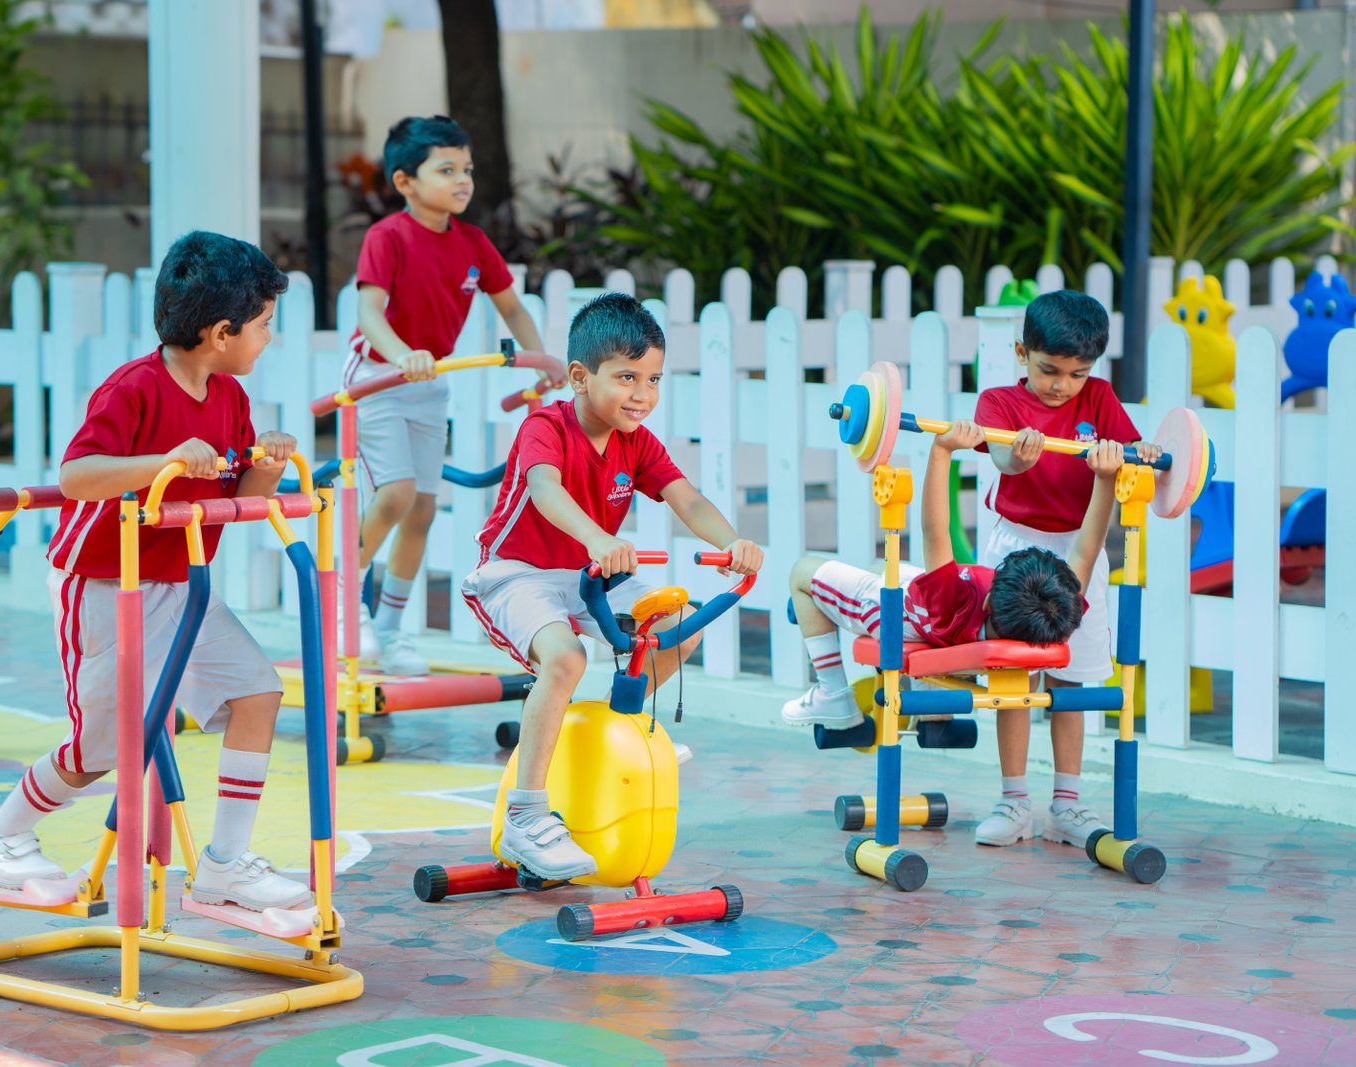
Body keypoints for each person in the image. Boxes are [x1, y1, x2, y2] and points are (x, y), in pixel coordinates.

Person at [0, 231, 313, 912]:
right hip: (104, 586)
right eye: (264, 326)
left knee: (257, 694)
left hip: (179, 587)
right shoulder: (134, 389)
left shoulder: (228, 398)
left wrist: (268, 466)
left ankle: (223, 866)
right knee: (98, 746)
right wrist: (162, 462)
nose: (268, 339)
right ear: (222, 332)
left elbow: (237, 500)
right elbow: (75, 476)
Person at [461, 292, 762, 880]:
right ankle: (526, 816)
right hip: (515, 573)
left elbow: (687, 498)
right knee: (565, 658)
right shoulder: (544, 426)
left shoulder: (637, 441)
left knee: (680, 628)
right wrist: (598, 537)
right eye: (627, 377)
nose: (643, 395)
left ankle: (612, 729)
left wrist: (734, 544)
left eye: (653, 379)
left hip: (591, 573)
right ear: (579, 377)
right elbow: (545, 491)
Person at [782, 419, 1126, 848]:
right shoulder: (1058, 618)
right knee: (874, 569)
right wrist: (1106, 480)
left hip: (904, 614)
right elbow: (1088, 546)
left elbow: (933, 528)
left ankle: (833, 695)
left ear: (987, 599)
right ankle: (935, 714)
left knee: (803, 574)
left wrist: (942, 451)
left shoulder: (951, 596)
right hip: (949, 632)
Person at [342, 115, 548, 675]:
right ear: (405, 181)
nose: (463, 181)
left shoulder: (474, 243)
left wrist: (543, 359)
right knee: (396, 494)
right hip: (379, 379)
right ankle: (346, 603)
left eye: (467, 170)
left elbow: (512, 307)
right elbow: (369, 312)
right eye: (447, 170)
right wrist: (402, 353)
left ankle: (390, 628)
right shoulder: (386, 237)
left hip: (429, 385)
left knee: (425, 508)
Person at [973, 289, 1160, 847]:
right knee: (1014, 674)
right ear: (1021, 353)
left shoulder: (1099, 399)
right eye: (1049, 369)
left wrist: (1139, 452)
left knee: (1072, 675)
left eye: (1076, 374)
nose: (1061, 385)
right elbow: (1000, 456)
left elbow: (1131, 450)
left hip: (1082, 545)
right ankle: (1013, 801)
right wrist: (1019, 456)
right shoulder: (999, 402)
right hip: (1016, 547)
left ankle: (1067, 807)